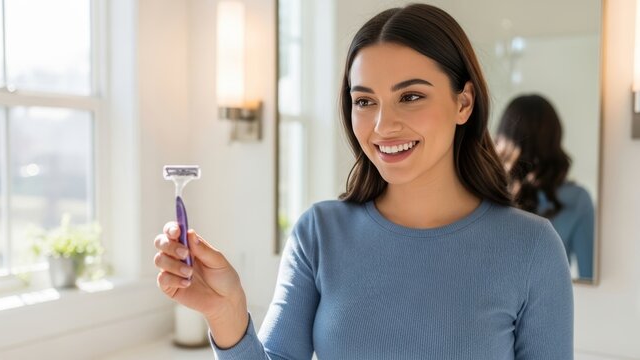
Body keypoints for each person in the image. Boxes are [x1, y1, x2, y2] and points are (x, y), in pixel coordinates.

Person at [153, 4, 573, 359]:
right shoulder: (319, 234)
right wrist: (227, 314)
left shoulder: (531, 247)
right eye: (365, 101)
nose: (382, 125)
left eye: (410, 96)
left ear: (463, 102)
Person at [496, 94, 595, 280]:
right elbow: (588, 276)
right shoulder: (578, 199)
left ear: (505, 136)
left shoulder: (486, 195)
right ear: (555, 137)